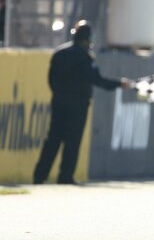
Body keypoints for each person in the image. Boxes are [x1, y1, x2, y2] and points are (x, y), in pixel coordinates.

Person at [33, 20, 132, 185]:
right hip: (78, 105)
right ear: (87, 39)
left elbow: (51, 80)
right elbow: (98, 81)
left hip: (59, 102)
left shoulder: (59, 53)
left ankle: (39, 175)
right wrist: (119, 84)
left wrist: (60, 94)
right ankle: (65, 176)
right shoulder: (85, 58)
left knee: (53, 139)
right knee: (72, 141)